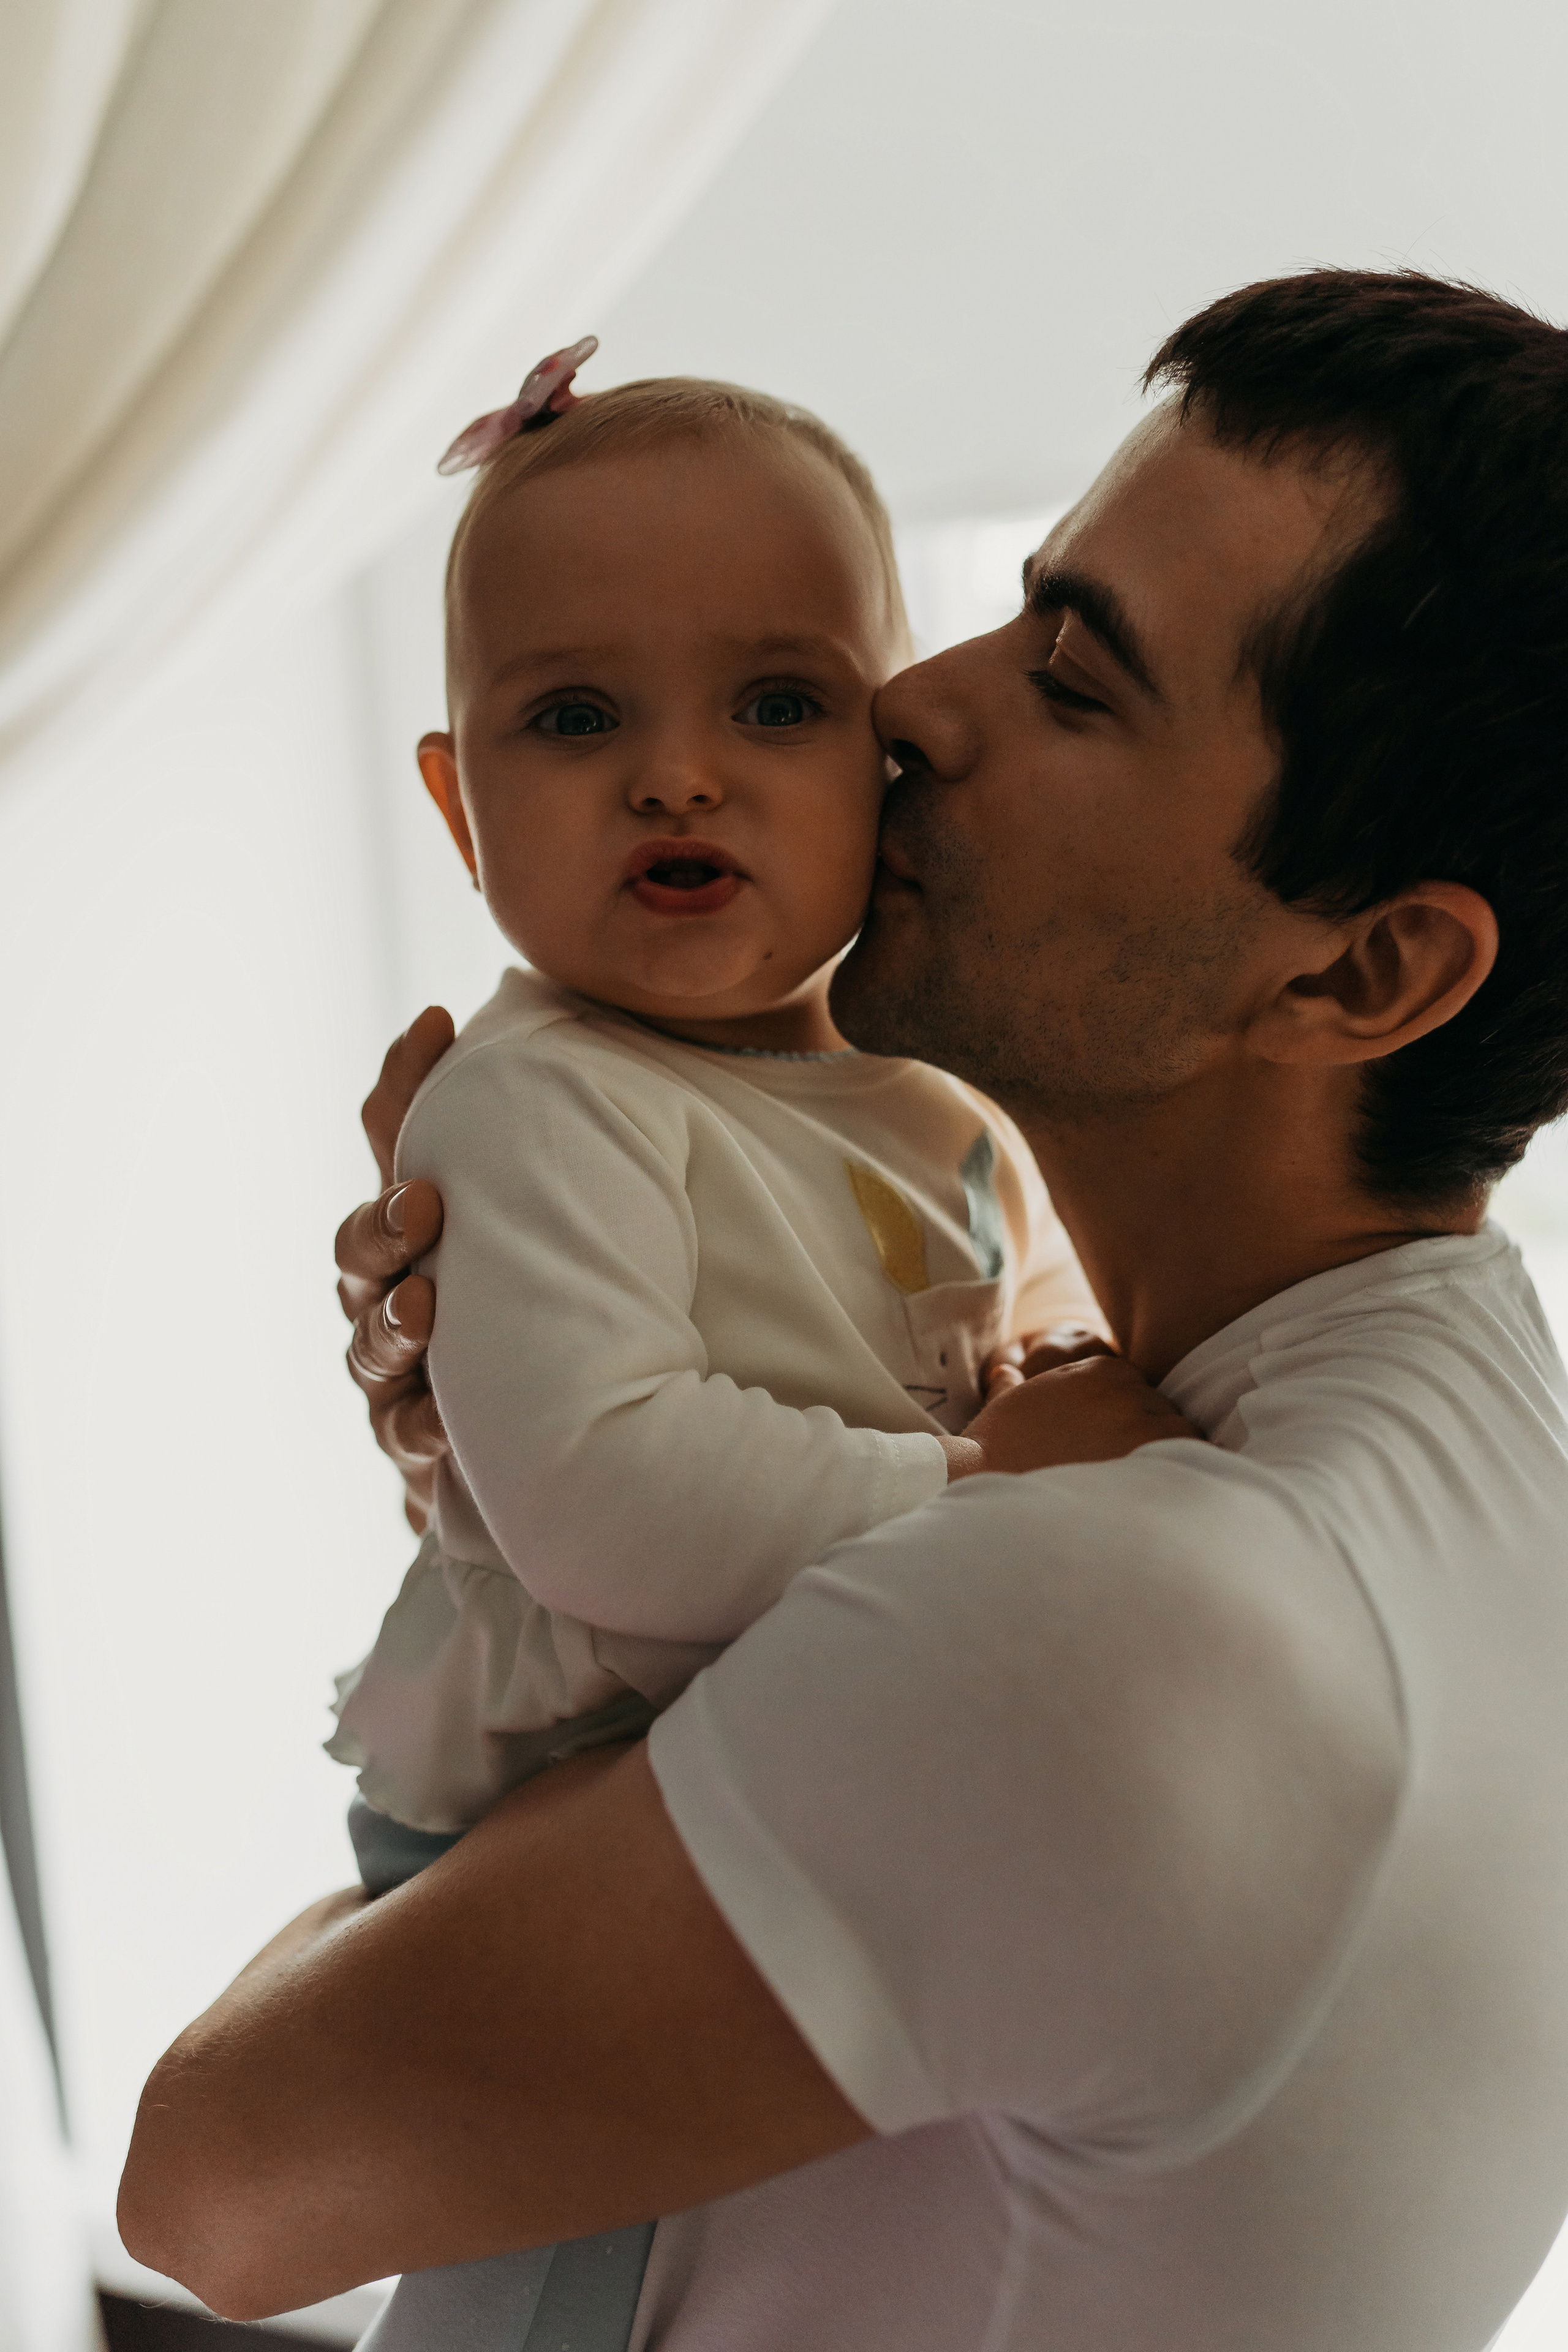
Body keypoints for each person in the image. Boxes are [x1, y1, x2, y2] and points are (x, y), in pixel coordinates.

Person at [119, 270, 1568, 2351]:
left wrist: (616, 1637)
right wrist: (536, 1440)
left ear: (1361, 976)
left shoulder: (1118, 1609)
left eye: (1075, 682)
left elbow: (218, 2187)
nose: (915, 706)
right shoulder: (1472, 1468)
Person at [328, 350, 1104, 1891]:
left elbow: (1037, 1324)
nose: (676, 777)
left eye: (774, 704)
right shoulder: (533, 1101)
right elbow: (608, 1498)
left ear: (886, 760)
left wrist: (1057, 1385)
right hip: (529, 1807)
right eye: (571, 716)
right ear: (453, 806)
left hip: (788, 1739)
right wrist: (988, 1487)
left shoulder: (942, 1098)